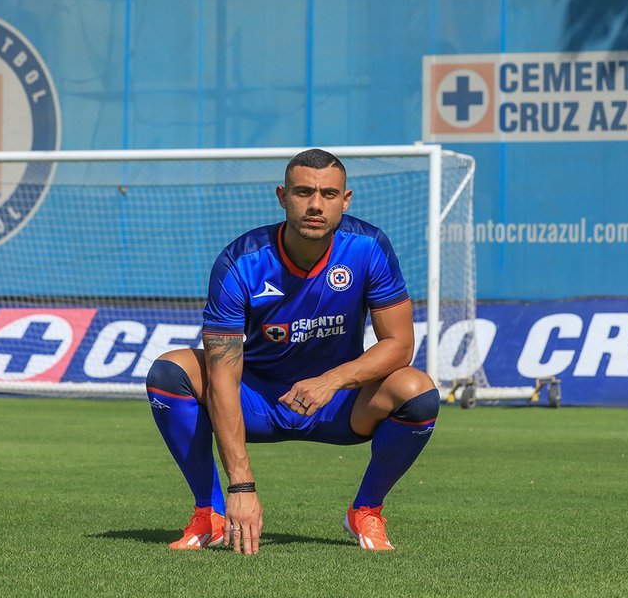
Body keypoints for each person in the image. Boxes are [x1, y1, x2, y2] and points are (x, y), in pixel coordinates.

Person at [146, 149, 439, 554]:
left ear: (345, 200)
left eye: (328, 194)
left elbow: (399, 344)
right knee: (169, 372)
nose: (316, 205)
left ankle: (366, 510)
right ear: (282, 197)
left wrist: (331, 381)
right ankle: (210, 512)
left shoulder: (368, 247)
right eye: (303, 192)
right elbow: (223, 374)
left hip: (338, 404)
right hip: (258, 403)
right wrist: (241, 486)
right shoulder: (241, 261)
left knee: (417, 390)